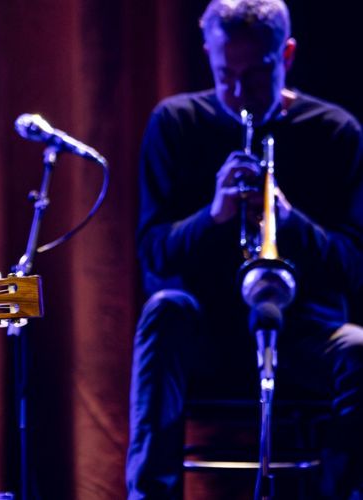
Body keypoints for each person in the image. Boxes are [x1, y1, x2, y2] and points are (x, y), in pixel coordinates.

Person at [127, 0, 363, 497]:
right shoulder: (175, 123)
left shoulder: (335, 131)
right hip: (205, 337)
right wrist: (213, 216)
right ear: (207, 53)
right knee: (163, 310)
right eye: (223, 75)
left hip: (303, 335)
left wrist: (289, 219)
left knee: (359, 348)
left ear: (288, 55)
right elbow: (152, 254)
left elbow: (353, 267)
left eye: (255, 77)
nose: (238, 94)